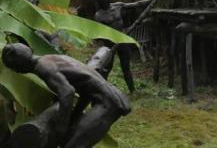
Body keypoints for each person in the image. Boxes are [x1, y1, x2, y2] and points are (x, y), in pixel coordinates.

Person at [2, 43, 130, 148]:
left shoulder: (43, 68)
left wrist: (61, 126)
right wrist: (75, 115)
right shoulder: (49, 58)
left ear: (18, 68)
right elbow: (85, 88)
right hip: (110, 98)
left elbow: (67, 93)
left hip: (109, 103)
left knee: (75, 145)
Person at [93, 0, 150, 92]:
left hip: (122, 41)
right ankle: (102, 90)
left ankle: (132, 90)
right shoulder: (99, 15)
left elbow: (137, 4)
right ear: (102, 1)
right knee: (107, 68)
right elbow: (98, 34)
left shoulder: (117, 6)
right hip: (110, 44)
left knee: (126, 67)